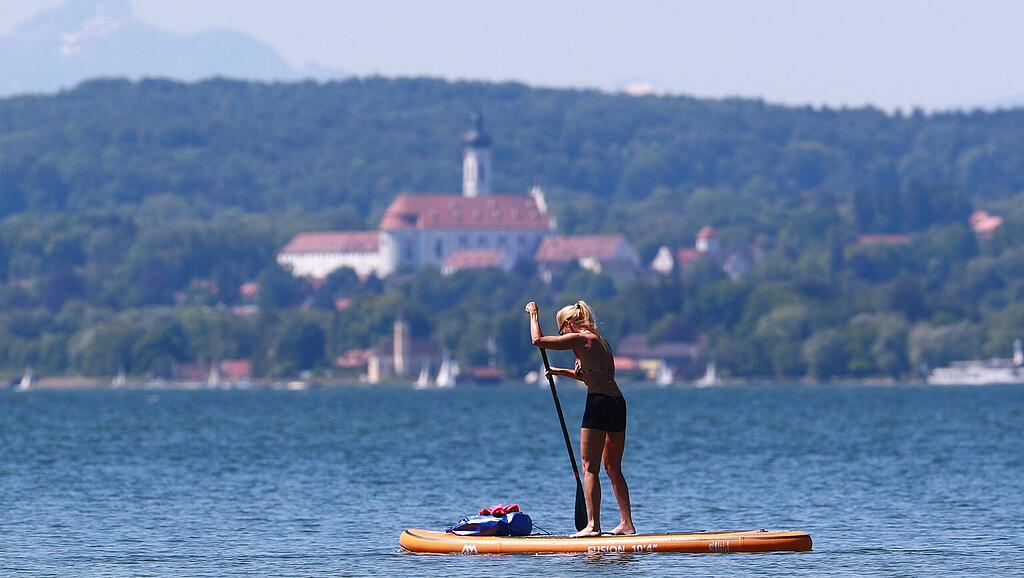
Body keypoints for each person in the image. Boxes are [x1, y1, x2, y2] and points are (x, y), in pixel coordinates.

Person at [525, 300, 635, 537]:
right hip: (617, 403)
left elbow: (538, 341)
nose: (562, 335)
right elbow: (589, 377)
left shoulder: (580, 338)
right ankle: (627, 524)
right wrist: (558, 372)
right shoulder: (599, 342)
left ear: (569, 324)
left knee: (589, 468)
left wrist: (534, 314)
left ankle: (593, 526)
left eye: (561, 330)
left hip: (598, 403)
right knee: (613, 468)